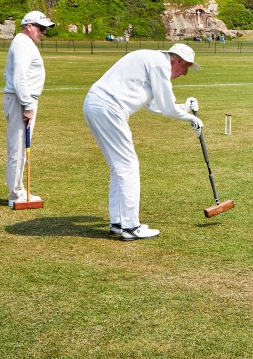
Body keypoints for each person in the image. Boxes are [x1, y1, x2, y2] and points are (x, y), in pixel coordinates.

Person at [83, 43, 203, 240]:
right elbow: (166, 108)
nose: (185, 74)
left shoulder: (154, 62)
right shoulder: (160, 65)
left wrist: (184, 107)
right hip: (108, 107)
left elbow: (155, 104)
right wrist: (192, 118)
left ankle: (118, 222)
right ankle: (131, 226)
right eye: (186, 68)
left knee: (119, 167)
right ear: (178, 60)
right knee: (128, 166)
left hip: (96, 104)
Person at [3, 10, 55, 207]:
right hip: (20, 100)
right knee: (18, 147)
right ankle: (16, 194)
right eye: (41, 28)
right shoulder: (23, 44)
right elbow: (19, 77)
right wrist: (27, 105)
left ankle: (18, 190)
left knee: (20, 147)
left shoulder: (24, 43)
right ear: (29, 26)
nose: (43, 32)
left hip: (20, 98)